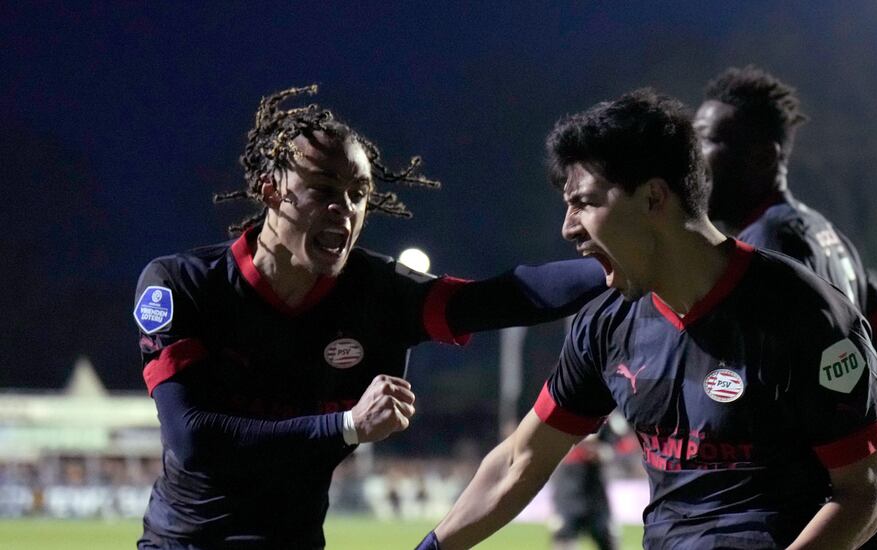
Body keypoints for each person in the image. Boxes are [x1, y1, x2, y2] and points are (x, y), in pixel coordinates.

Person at [133, 85, 606, 549]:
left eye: (358, 193)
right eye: (323, 189)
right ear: (271, 191)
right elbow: (193, 440)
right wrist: (347, 424)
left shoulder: (378, 292)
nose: (344, 209)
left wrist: (621, 264)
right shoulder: (181, 284)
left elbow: (504, 298)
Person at [417, 89, 877, 550]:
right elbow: (519, 462)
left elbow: (862, 497)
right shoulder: (605, 325)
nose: (568, 227)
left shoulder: (806, 315)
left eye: (585, 202)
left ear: (653, 197)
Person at [694, 65, 877, 549]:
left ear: (764, 156)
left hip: (838, 516)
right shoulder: (827, 234)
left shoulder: (768, 247)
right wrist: (842, 384)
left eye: (706, 140)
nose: (692, 158)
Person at [548, 421, 622, 550]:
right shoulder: (562, 415)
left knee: (607, 537)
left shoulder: (606, 421)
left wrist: (600, 452)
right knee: (564, 536)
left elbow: (613, 446)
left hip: (595, 491)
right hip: (568, 490)